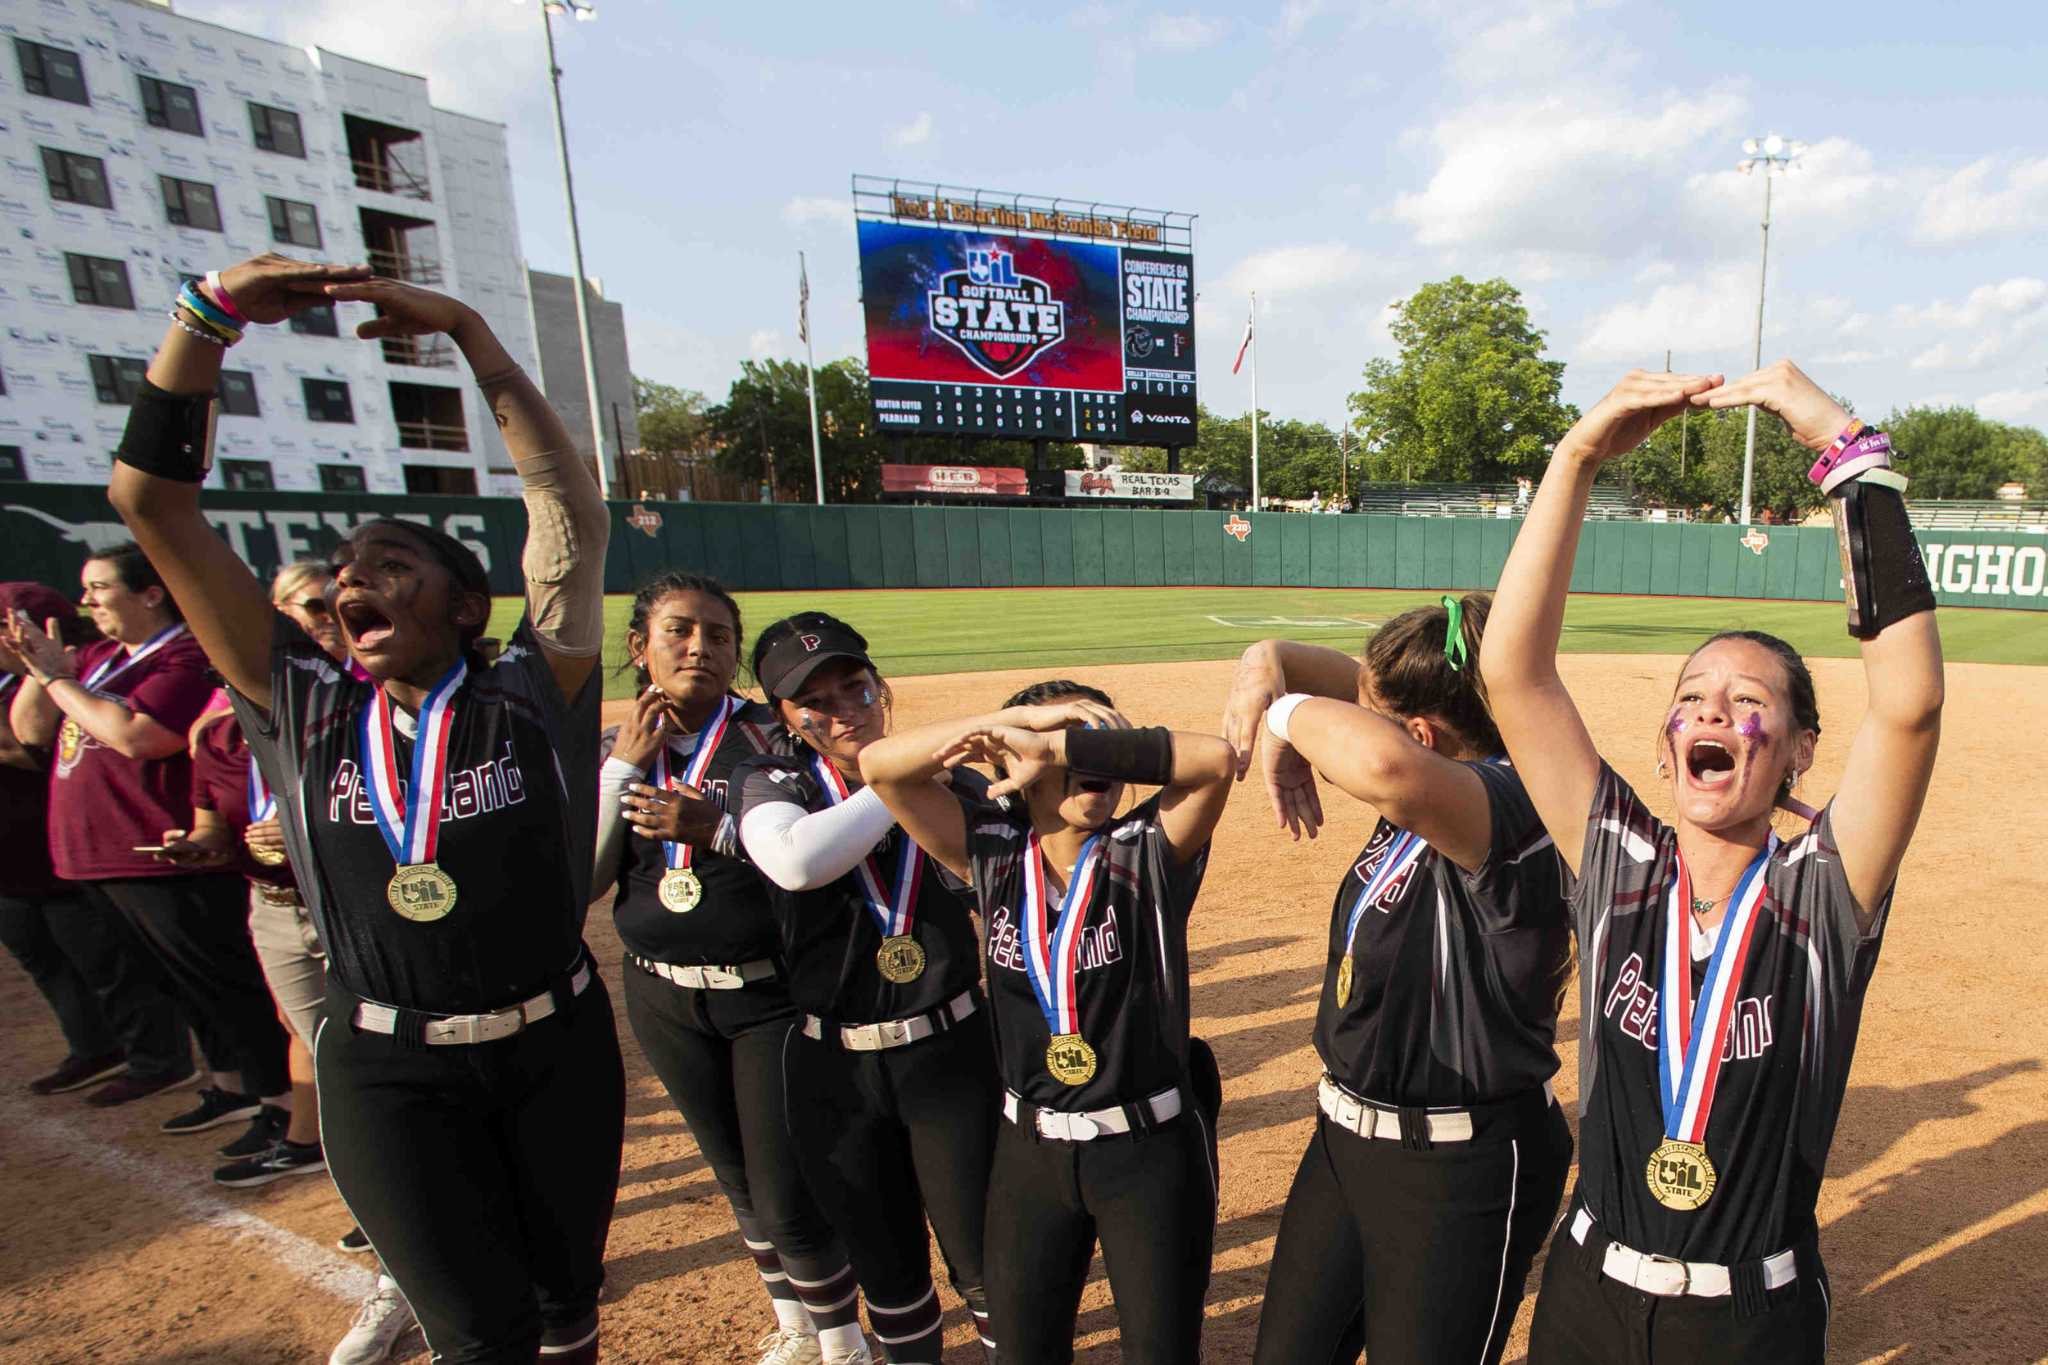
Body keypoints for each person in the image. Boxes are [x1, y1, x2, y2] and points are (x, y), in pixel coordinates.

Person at [104, 252, 623, 1364]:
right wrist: (209, 317)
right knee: (476, 1333)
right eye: (347, 568)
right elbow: (150, 504)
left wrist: (470, 334)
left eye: (392, 564)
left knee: (566, 1311)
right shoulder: (297, 705)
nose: (357, 579)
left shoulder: (534, 690)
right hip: (390, 1065)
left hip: (554, 1053)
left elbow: (567, 509)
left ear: (463, 603)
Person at [1480, 363, 1944, 1362]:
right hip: (1584, 1296)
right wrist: (1575, 456)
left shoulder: (1818, 894)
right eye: (1692, 694)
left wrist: (1846, 452)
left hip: (1746, 1321)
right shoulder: (1616, 868)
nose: (1712, 711)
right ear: (1662, 741)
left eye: (1747, 701)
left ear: (1797, 749)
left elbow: (1906, 704)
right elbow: (1511, 673)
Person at [1219, 597, 1574, 1365]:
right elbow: (1330, 673)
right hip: (1346, 1139)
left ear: (1424, 736)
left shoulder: (1517, 801)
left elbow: (1382, 762)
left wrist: (1281, 720)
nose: (1353, 716)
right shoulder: (1441, 767)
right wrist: (1261, 663)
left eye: (1374, 714)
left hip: (1460, 1168)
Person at [860, 684, 1235, 1363]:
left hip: (1147, 1149)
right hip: (1029, 1152)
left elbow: (1214, 760)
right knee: (1024, 1347)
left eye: (1104, 742)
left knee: (1162, 1350)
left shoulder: (1148, 847)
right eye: (1066, 741)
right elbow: (881, 767)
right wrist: (1010, 727)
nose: (1092, 758)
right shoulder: (992, 851)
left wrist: (1065, 745)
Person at [594, 573, 868, 1365]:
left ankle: (843, 1342)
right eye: (678, 630)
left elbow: (822, 866)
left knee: (786, 1188)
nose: (699, 648)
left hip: (768, 994)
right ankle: (794, 1324)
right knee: (735, 1175)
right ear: (639, 646)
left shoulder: (770, 738)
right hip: (660, 991)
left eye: (718, 635)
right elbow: (580, 881)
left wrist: (717, 829)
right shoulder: (610, 746)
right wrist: (619, 771)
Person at [734, 612, 999, 1363]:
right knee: (885, 1264)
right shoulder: (768, 780)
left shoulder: (966, 786)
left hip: (951, 1048)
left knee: (983, 1255)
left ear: (881, 687)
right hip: (835, 1064)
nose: (843, 708)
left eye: (855, 686)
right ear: (781, 716)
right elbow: (795, 862)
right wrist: (903, 778)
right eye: (812, 699)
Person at [174, 563, 418, 1364]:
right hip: (277, 913)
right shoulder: (223, 725)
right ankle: (397, 1256)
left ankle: (428, 1251)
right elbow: (215, 814)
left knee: (401, 1083)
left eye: (331, 609)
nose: (319, 622)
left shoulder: (377, 707)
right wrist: (222, 841)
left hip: (367, 914)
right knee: (338, 1078)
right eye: (304, 610)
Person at [9, 546, 290, 1137]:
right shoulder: (97, 656)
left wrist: (59, 679)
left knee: (222, 981)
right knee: (176, 984)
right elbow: (31, 732)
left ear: (151, 593)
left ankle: (276, 1097)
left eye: (99, 587)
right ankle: (228, 1085)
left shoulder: (186, 655)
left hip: (163, 849)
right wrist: (40, 673)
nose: (85, 601)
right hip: (100, 853)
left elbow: (141, 738)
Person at [0, 581, 128, 1095]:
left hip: (54, 851)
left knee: (102, 962)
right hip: (9, 862)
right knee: (43, 960)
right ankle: (93, 1047)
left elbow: (24, 747)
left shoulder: (62, 679)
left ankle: (152, 1056)